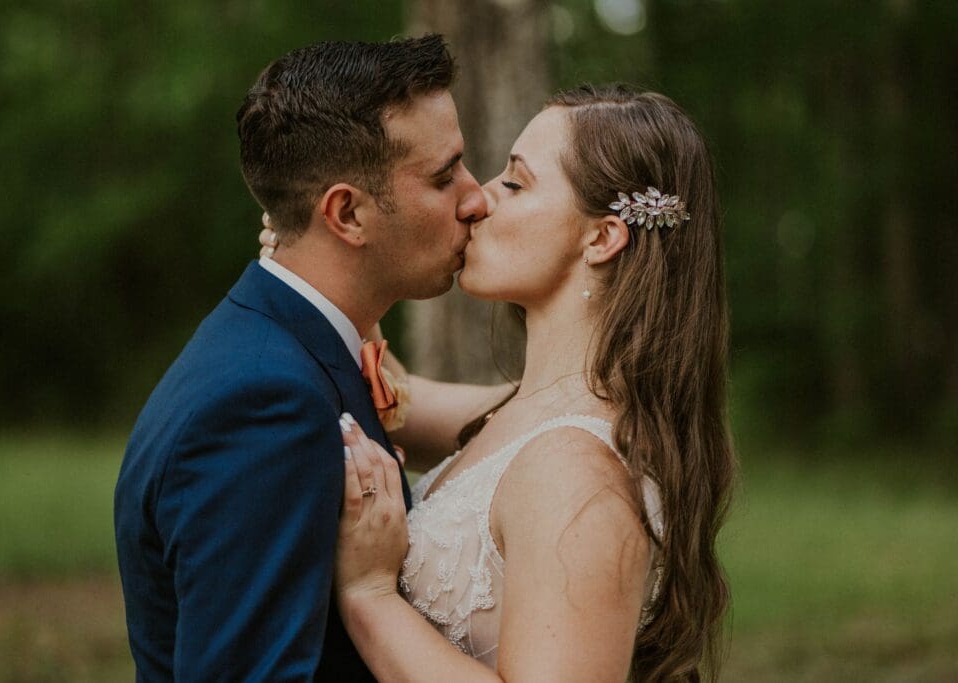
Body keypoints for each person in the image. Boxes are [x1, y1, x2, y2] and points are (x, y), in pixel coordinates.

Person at [263, 84, 735, 681]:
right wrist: (334, 254)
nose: (476, 199)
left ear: (601, 238)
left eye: (514, 183)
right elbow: (394, 397)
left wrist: (370, 596)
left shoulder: (576, 474)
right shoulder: (526, 413)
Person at [113, 35, 493, 681]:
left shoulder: (293, 351)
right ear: (347, 213)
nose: (476, 198)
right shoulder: (263, 406)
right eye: (442, 176)